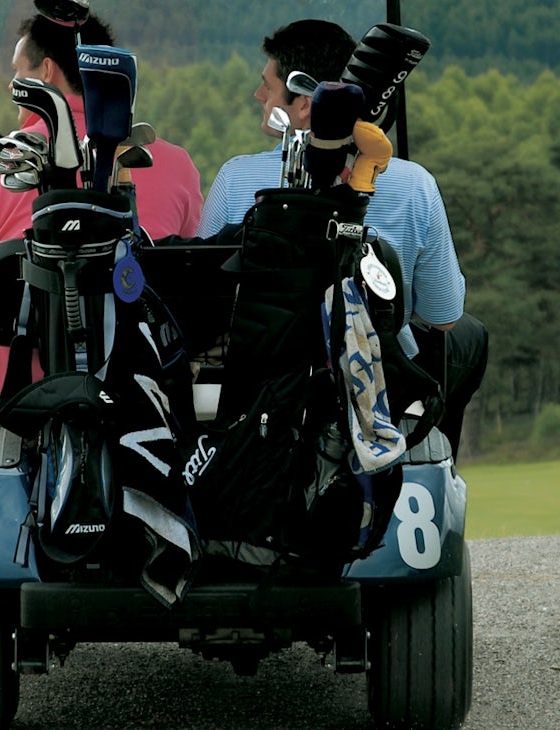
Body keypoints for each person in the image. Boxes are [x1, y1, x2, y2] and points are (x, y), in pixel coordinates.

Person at [196, 19, 488, 458]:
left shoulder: (236, 178)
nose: (259, 96)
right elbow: (443, 314)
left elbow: (209, 297)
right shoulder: (415, 183)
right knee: (467, 335)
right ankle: (430, 454)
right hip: (376, 373)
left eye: (268, 86)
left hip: (260, 380)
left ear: (304, 105)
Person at [0, 12, 204, 417]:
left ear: (48, 73)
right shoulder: (177, 164)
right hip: (142, 378)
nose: (11, 86)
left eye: (19, 73)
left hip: (17, 385)